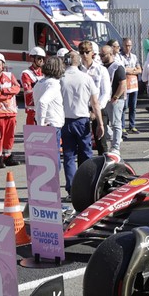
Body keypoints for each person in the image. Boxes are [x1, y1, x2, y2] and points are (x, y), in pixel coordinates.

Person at [61, 50, 103, 200]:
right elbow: (95, 103)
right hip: (82, 121)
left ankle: (72, 190)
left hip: (65, 121)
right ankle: (86, 188)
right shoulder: (85, 78)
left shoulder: (61, 78)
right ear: (78, 61)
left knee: (69, 156)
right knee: (86, 155)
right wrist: (100, 123)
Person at [78, 40, 111, 154]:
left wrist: (95, 110)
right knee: (83, 144)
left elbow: (106, 93)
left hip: (99, 108)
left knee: (101, 142)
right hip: (81, 109)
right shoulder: (77, 70)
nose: (85, 55)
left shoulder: (101, 69)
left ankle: (105, 167)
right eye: (82, 52)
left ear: (93, 53)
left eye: (87, 52)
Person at [101, 44, 126, 153]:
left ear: (111, 54)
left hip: (116, 99)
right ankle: (114, 137)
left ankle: (115, 147)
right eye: (100, 54)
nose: (101, 56)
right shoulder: (102, 67)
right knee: (102, 123)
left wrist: (115, 97)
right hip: (104, 99)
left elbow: (123, 84)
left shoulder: (117, 67)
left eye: (103, 54)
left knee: (116, 123)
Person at [34, 55, 65, 140]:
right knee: (54, 153)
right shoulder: (54, 84)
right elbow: (42, 102)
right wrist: (41, 125)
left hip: (45, 122)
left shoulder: (39, 82)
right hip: (51, 124)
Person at [119, 37, 141, 134]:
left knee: (133, 106)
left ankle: (132, 126)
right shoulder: (120, 57)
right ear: (123, 46)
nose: (128, 47)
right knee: (124, 106)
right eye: (126, 45)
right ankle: (122, 127)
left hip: (134, 85)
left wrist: (130, 70)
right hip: (125, 85)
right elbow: (122, 69)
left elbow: (139, 70)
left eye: (129, 45)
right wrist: (133, 70)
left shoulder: (134, 57)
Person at [21, 46, 46, 127]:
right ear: (32, 59)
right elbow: (28, 91)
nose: (41, 60)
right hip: (32, 110)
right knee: (31, 138)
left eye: (43, 58)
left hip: (44, 109)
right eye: (39, 58)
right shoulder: (26, 73)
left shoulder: (45, 73)